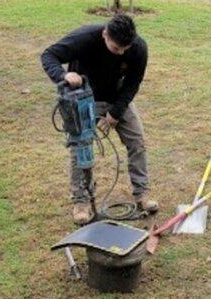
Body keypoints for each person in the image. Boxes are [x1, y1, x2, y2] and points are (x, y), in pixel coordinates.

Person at [41, 13, 158, 224]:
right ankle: (81, 202)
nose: (121, 53)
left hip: (117, 99)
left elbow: (133, 83)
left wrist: (115, 113)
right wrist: (63, 75)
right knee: (81, 149)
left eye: (125, 49)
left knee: (137, 142)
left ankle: (142, 195)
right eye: (116, 49)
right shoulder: (84, 38)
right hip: (84, 99)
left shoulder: (139, 47)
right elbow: (49, 56)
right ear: (105, 34)